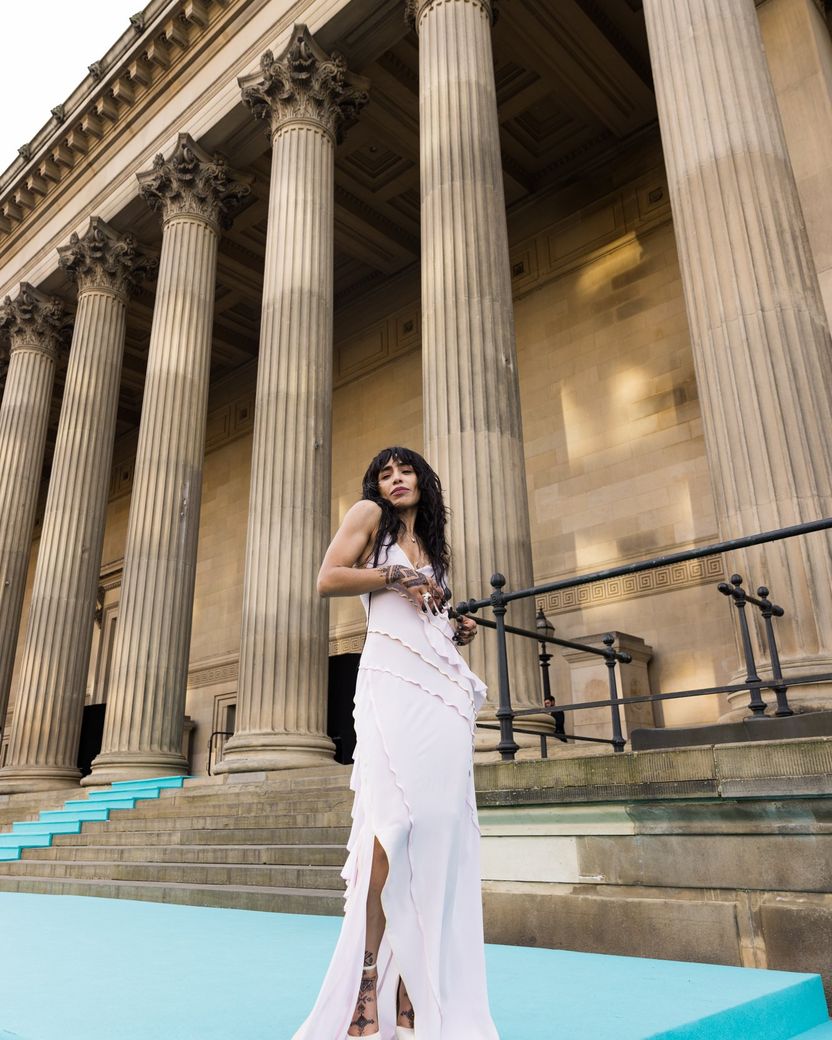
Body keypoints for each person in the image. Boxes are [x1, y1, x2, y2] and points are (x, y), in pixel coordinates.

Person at [291, 447, 500, 1040]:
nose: (396, 479)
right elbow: (327, 578)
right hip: (388, 687)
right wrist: (392, 574)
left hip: (438, 695)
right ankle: (365, 978)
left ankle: (413, 977)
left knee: (436, 834)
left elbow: (429, 627)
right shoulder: (367, 518)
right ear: (375, 485)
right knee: (390, 832)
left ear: (422, 480)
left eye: (404, 471)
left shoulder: (436, 549)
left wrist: (455, 628)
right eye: (385, 473)